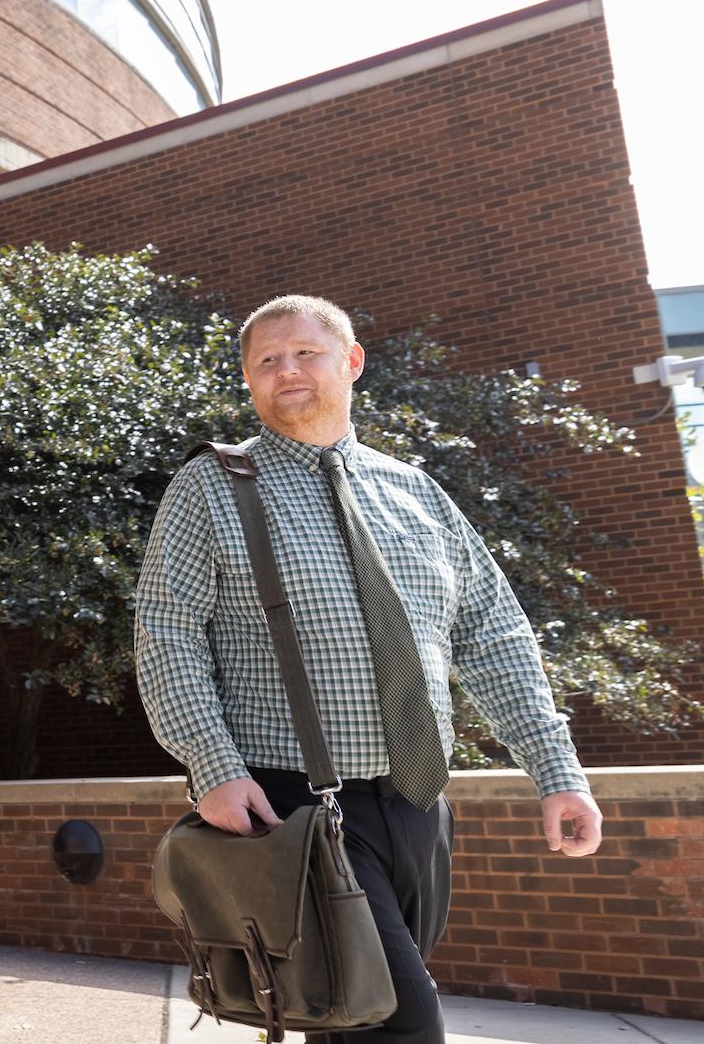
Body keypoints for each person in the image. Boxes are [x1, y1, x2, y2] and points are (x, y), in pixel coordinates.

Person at [135, 295, 604, 1044]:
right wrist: (213, 765)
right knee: (400, 1027)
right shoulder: (212, 486)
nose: (286, 370)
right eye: (266, 360)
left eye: (305, 353)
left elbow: (494, 637)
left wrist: (557, 771)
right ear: (249, 382)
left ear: (351, 363)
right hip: (292, 807)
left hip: (418, 808)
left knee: (343, 1019)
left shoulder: (418, 493)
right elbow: (167, 636)